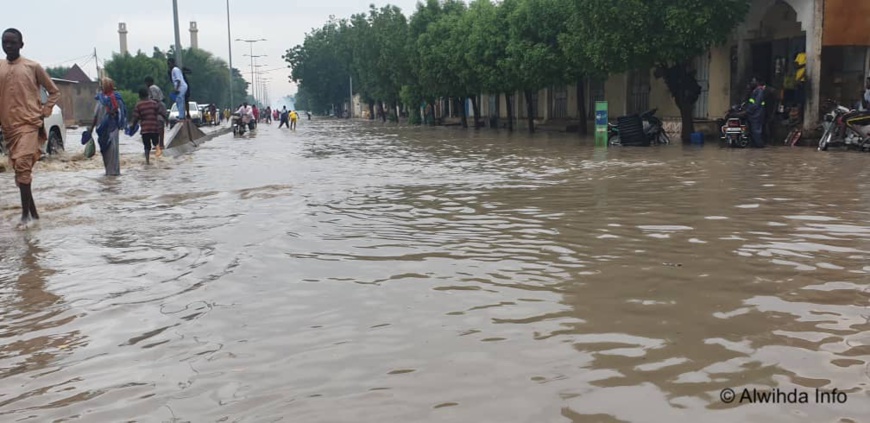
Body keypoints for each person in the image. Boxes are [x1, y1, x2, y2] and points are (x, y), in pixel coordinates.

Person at [0, 28, 60, 226]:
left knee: (23, 166)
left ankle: (25, 217)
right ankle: (33, 214)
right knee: (19, 171)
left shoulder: (32, 66)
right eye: (5, 42)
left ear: (21, 44)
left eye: (12, 42)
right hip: (9, 128)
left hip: (29, 124)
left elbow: (54, 91)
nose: (8, 46)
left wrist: (45, 110)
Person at [89, 77, 126, 176]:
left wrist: (114, 114)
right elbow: (95, 116)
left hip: (112, 130)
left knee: (112, 152)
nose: (101, 87)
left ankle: (113, 174)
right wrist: (91, 130)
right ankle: (108, 173)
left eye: (103, 85)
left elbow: (120, 115)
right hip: (101, 130)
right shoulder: (100, 99)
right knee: (104, 152)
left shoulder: (116, 99)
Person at [129, 88, 167, 165]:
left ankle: (147, 161)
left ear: (139, 96)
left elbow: (135, 117)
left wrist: (132, 126)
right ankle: (158, 153)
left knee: (147, 146)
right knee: (156, 142)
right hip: (154, 128)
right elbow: (160, 112)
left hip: (145, 129)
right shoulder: (153, 103)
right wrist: (166, 119)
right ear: (148, 94)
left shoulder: (138, 105)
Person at [144, 76, 166, 155]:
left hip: (158, 107)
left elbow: (155, 99)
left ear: (148, 82)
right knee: (158, 127)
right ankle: (160, 144)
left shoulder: (152, 88)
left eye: (146, 83)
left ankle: (160, 144)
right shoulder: (155, 87)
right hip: (160, 106)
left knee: (159, 126)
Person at [745, 77, 767, 148]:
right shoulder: (755, 91)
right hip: (754, 114)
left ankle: (759, 146)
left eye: (753, 81)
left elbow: (756, 104)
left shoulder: (759, 91)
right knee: (754, 131)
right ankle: (755, 146)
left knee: (756, 131)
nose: (751, 83)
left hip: (756, 114)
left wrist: (748, 111)